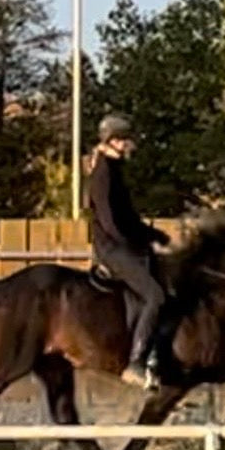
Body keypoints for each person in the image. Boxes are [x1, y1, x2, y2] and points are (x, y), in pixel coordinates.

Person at [87, 114, 171, 389]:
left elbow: (128, 216)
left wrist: (153, 234)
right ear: (112, 141)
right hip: (112, 249)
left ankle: (159, 356)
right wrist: (133, 243)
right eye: (124, 140)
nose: (129, 145)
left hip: (122, 243)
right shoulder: (102, 174)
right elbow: (110, 221)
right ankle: (136, 362)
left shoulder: (114, 169)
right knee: (155, 296)